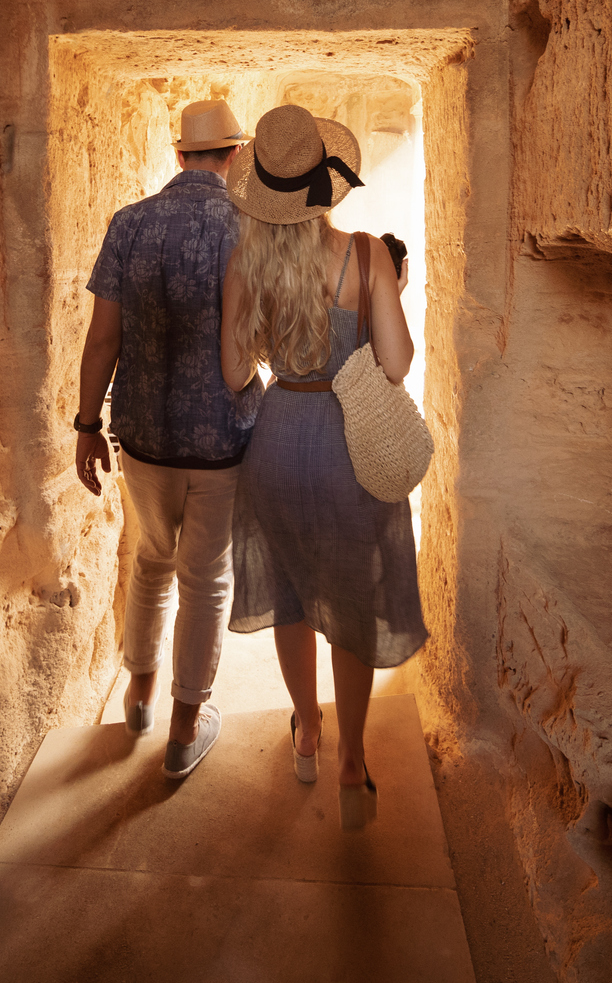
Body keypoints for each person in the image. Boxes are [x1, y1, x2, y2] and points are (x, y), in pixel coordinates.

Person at [218, 103, 424, 829]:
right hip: (347, 444)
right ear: (323, 181)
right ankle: (351, 759)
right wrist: (386, 295)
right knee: (350, 599)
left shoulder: (245, 263)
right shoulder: (366, 253)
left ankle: (305, 730)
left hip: (278, 438)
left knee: (291, 595)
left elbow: (235, 371)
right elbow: (394, 366)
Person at [74, 98, 262, 781]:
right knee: (206, 579)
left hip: (143, 435)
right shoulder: (249, 225)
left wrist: (85, 424)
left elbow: (102, 339)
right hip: (222, 438)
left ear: (178, 154)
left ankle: (138, 698)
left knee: (150, 563)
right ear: (235, 155)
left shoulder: (129, 224)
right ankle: (185, 730)